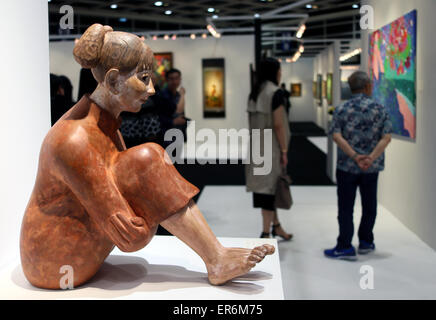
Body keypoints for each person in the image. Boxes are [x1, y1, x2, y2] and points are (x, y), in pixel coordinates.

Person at [20, 24, 274, 289]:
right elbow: (130, 238)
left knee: (147, 159)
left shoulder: (103, 124)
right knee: (147, 158)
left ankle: (216, 256)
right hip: (56, 263)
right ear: (113, 80)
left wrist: (148, 199)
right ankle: (216, 257)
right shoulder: (73, 140)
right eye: (143, 78)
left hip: (68, 254)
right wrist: (149, 204)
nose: (151, 89)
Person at [324, 71, 392, 260]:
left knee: (346, 207)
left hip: (347, 167)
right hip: (371, 168)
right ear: (369, 86)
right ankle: (366, 241)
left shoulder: (342, 109)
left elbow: (336, 136)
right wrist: (370, 158)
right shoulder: (380, 109)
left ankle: (345, 245)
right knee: (370, 205)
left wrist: (355, 156)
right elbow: (386, 137)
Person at [245, 58, 293, 241]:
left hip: (257, 144)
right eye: (279, 70)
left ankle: (277, 227)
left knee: (266, 187)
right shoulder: (276, 93)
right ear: (274, 72)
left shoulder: (254, 93)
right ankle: (265, 233)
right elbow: (279, 125)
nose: (281, 73)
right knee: (269, 189)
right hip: (271, 147)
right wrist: (284, 150)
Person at [156, 68, 189, 147]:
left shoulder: (177, 94)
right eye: (171, 79)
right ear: (167, 80)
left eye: (177, 78)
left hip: (177, 134)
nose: (174, 81)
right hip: (165, 136)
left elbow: (180, 113)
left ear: (180, 79)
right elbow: (177, 111)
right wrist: (182, 95)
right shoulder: (162, 95)